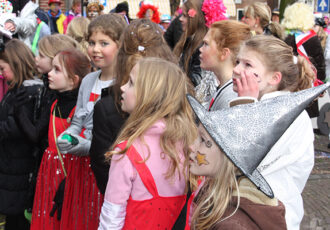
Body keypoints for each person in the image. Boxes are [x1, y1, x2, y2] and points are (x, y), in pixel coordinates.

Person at [185, 82, 329, 230]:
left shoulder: (232, 225)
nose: (191, 145)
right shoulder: (216, 199)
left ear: (228, 157)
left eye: (203, 140)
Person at [98, 57, 196, 229]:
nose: (122, 87)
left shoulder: (127, 152)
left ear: (148, 96)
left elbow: (111, 218)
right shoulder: (190, 145)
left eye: (131, 83)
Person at [232, 35, 316, 230]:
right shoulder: (264, 106)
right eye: (237, 62)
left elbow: (243, 159)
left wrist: (245, 105)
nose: (236, 69)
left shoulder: (287, 114)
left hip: (270, 218)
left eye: (247, 65)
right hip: (254, 214)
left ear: (274, 78)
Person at [52, 14, 126, 230]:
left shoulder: (124, 84)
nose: (95, 49)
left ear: (120, 46)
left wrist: (86, 146)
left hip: (104, 171)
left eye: (104, 43)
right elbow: (79, 120)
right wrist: (70, 137)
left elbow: (115, 135)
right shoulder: (88, 80)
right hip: (80, 169)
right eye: (92, 43)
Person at [90, 18, 178, 195]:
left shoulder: (109, 106)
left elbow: (103, 170)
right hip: (173, 205)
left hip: (128, 206)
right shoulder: (178, 96)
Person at [29, 35, 84, 230]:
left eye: (57, 70)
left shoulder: (77, 110)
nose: (49, 74)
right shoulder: (53, 103)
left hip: (67, 172)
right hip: (49, 170)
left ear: (74, 79)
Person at [0, 39, 42, 230]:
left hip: (19, 165)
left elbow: (15, 127)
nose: (1, 74)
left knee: (17, 219)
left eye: (2, 68)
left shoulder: (26, 92)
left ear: (16, 64)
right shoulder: (16, 88)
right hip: (11, 164)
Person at [282, 2, 325, 118]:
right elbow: (320, 65)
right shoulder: (312, 38)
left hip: (287, 85)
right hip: (306, 85)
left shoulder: (283, 37)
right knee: (304, 118)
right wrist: (320, 86)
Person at [196, 20, 251, 109]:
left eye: (206, 44)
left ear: (224, 53)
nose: (200, 49)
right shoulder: (224, 87)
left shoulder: (231, 96)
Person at [173, 0, 226, 87]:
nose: (180, 19)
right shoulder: (188, 40)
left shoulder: (201, 47)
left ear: (194, 19)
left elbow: (198, 82)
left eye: (185, 16)